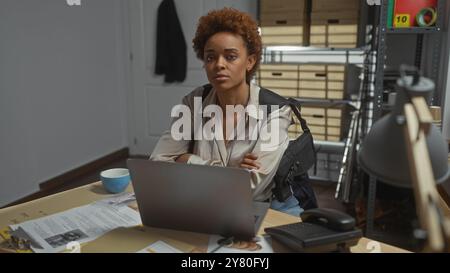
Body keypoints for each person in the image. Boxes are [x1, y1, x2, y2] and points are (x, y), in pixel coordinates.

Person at [150, 8, 302, 216]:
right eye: (210, 57)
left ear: (250, 61)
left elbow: (251, 188)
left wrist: (187, 160)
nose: (219, 65)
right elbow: (158, 164)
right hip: (199, 204)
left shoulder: (276, 112)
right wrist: (232, 170)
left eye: (230, 57)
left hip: (257, 210)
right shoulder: (194, 102)